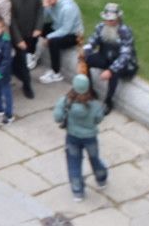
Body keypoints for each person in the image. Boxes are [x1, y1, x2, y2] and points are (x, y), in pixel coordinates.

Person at [54, 73, 108, 202]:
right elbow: (98, 119)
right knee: (95, 159)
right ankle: (101, 179)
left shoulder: (65, 101)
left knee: (74, 163)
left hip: (72, 137)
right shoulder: (95, 104)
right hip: (90, 138)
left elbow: (57, 118)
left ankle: (78, 191)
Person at [82, 2, 138, 113]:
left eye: (111, 20)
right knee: (85, 61)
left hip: (122, 62)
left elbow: (125, 55)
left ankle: (108, 101)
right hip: (106, 56)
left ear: (118, 19)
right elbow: (92, 41)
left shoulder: (125, 32)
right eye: (106, 19)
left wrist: (111, 70)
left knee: (114, 74)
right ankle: (90, 91)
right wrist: (86, 51)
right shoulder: (101, 27)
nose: (108, 22)